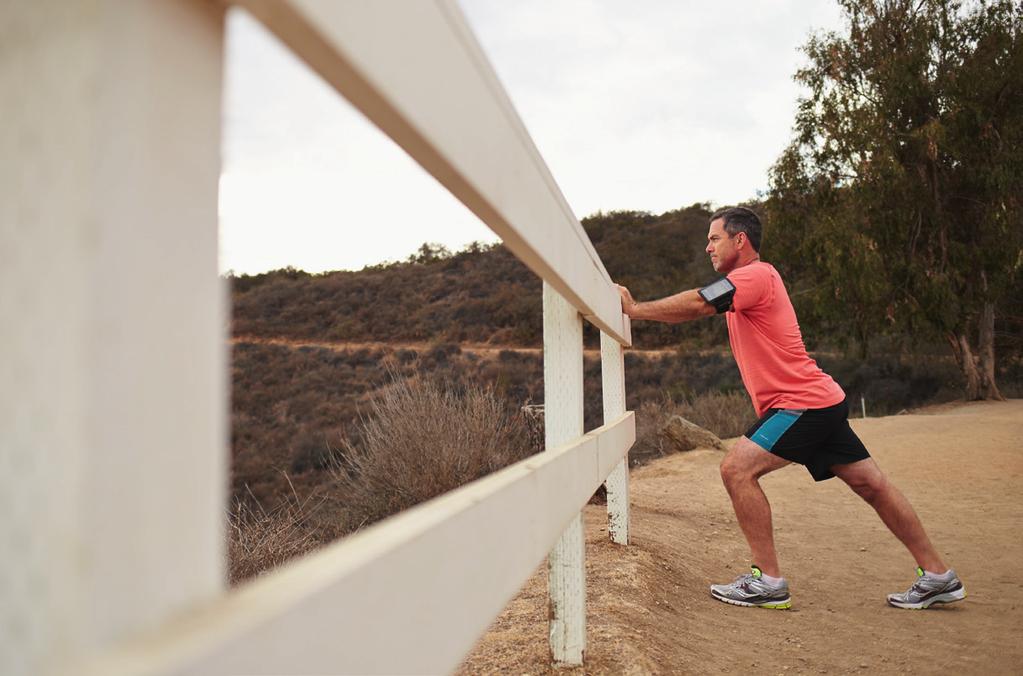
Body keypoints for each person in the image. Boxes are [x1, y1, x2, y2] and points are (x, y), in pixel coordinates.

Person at [616, 206, 965, 610]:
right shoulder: (752, 281)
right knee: (873, 485)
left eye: (715, 238)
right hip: (820, 401)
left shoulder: (755, 275)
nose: (707, 246)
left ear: (740, 240)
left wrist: (635, 309)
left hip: (800, 405)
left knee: (736, 470)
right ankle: (939, 575)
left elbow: (697, 304)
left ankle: (767, 581)